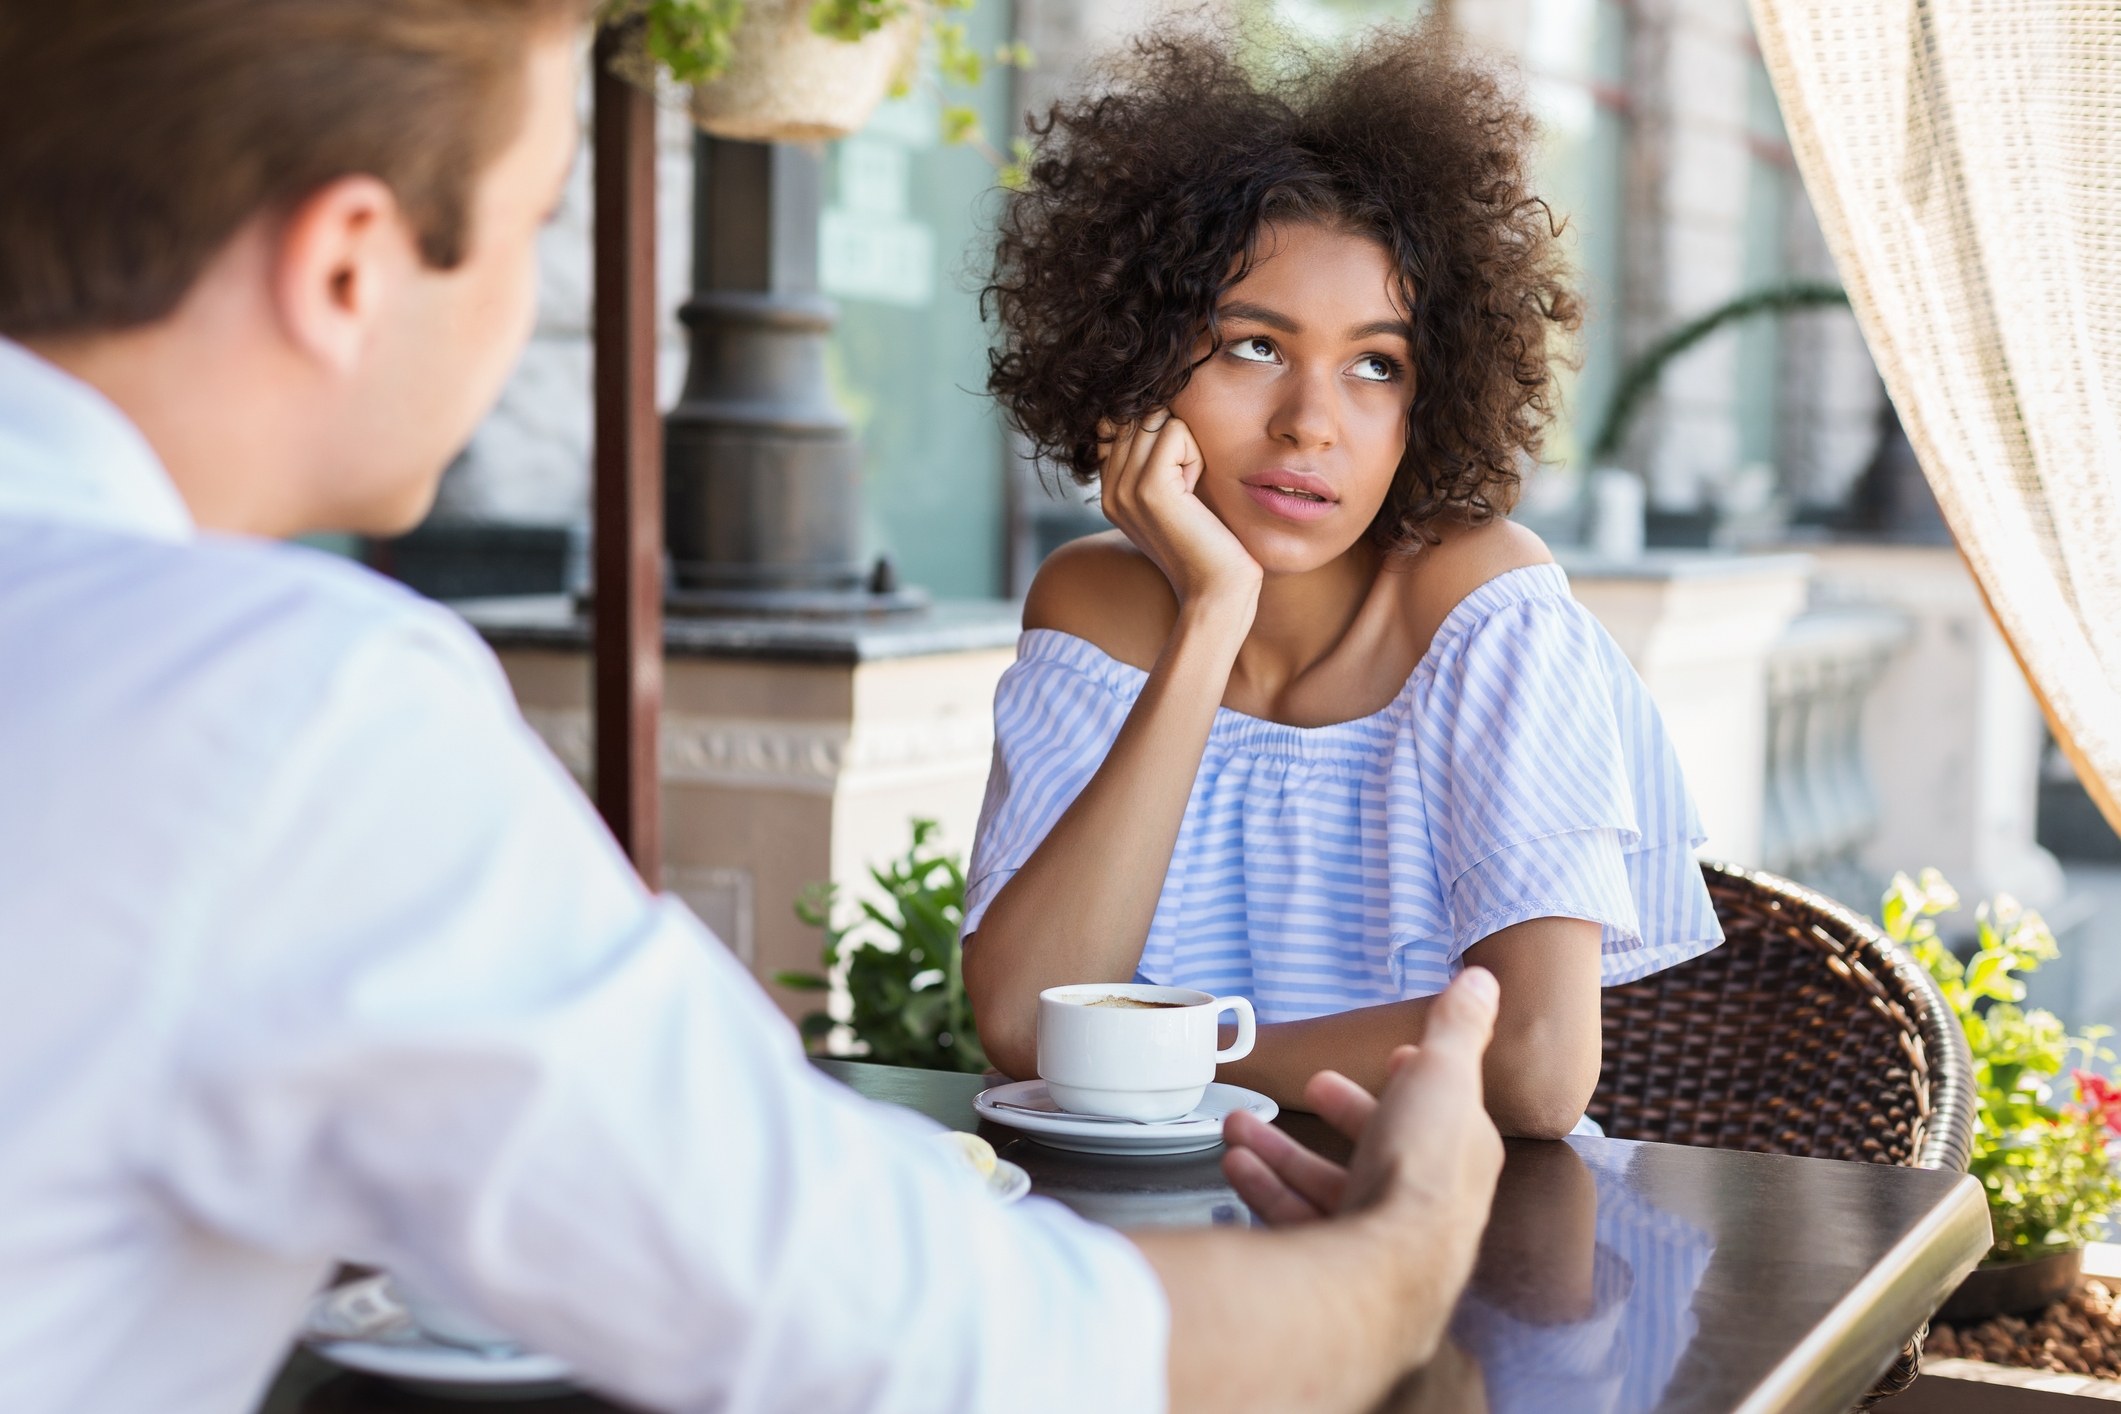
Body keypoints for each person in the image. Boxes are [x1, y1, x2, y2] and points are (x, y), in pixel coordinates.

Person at [0, 3, 1508, 1412]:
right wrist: (1402, 1256)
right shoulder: (283, 711)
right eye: (536, 222)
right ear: (348, 267)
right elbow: (915, 1332)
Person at [962, 23, 1725, 1136]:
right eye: (1254, 346)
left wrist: (1187, 1055)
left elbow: (1535, 1060)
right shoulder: (1095, 609)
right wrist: (1212, 614)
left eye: (1378, 365)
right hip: (1158, 1247)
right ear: (1135, 356)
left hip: (1445, 1248)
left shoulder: (1485, 609)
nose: (1311, 424)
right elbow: (1028, 1025)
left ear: (1433, 395)